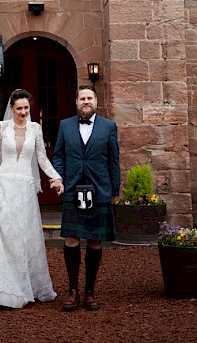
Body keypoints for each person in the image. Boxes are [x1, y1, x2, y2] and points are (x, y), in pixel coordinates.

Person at [0, 88, 64, 309]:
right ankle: (1, 289)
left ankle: (25, 285)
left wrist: (56, 178)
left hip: (25, 188)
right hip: (4, 186)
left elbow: (42, 158)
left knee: (25, 237)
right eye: (19, 108)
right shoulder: (1, 128)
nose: (23, 112)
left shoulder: (35, 129)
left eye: (26, 108)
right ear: (11, 109)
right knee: (6, 236)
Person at [53, 84, 120, 312]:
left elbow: (113, 161)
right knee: (71, 239)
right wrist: (58, 178)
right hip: (72, 189)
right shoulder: (65, 125)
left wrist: (114, 191)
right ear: (76, 101)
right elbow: (59, 155)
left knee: (94, 241)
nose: (86, 101)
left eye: (89, 98)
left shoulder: (109, 127)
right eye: (82, 98)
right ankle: (73, 290)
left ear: (96, 101)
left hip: (99, 190)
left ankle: (90, 291)